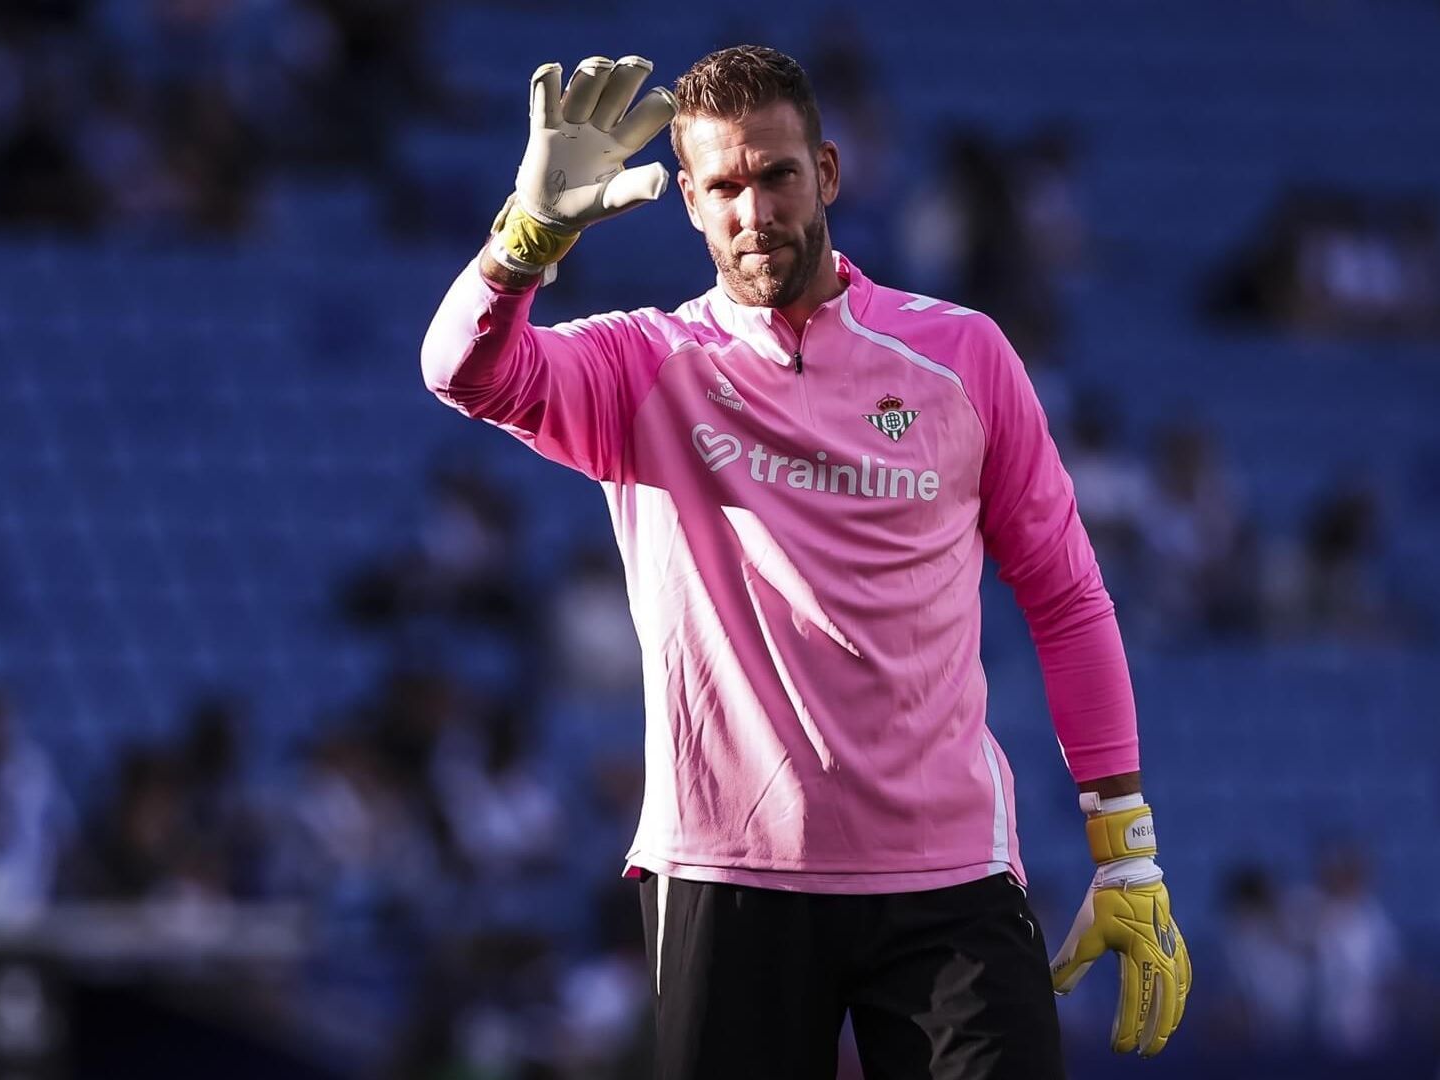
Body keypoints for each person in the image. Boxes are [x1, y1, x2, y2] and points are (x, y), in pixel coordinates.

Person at [419, 46, 1189, 1078]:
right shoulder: (646, 366)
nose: (754, 211)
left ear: (826, 173)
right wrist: (524, 241)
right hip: (729, 876)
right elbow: (463, 374)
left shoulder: (961, 358)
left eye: (776, 175)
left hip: (946, 880)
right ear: (687, 201)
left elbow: (1067, 596)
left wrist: (1125, 846)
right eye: (725, 187)